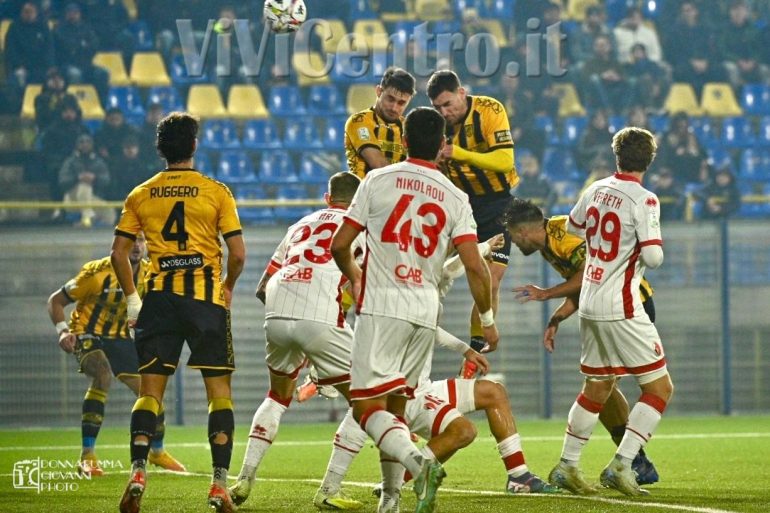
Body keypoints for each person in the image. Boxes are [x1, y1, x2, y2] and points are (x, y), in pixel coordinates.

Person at [331, 107, 499, 513]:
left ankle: (419, 463)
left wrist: (354, 274)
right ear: (443, 146)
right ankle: (389, 502)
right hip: (425, 310)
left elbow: (339, 245)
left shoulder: (376, 179)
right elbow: (475, 266)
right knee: (397, 408)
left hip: (382, 304)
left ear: (403, 141)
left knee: (366, 407)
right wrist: (488, 322)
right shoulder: (456, 197)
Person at [316, 235, 558, 512]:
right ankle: (383, 482)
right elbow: (447, 270)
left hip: (420, 386)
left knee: (489, 398)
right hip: (400, 386)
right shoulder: (397, 279)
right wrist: (483, 248)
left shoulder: (405, 277)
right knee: (370, 412)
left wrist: (465, 349)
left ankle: (518, 477)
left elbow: (434, 303)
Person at [112, 112, 246, 513]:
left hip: (158, 301)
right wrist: (227, 286)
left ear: (160, 149)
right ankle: (219, 486)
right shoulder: (215, 191)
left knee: (150, 393)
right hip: (206, 300)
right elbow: (237, 254)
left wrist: (134, 299)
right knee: (218, 395)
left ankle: (138, 471)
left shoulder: (141, 193)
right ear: (193, 146)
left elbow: (119, 253)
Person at [227, 172, 370, 510]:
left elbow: (263, 286)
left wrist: (295, 328)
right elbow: (365, 287)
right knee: (369, 402)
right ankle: (329, 490)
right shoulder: (361, 229)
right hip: (320, 317)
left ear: (327, 198)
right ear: (360, 200)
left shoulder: (298, 226)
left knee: (278, 396)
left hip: (276, 312)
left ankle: (244, 479)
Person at [549, 127, 673, 496]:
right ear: (649, 160)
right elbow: (652, 256)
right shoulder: (645, 199)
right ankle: (622, 464)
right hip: (621, 303)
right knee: (659, 387)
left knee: (597, 386)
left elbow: (572, 226)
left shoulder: (596, 188)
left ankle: (567, 466)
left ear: (616, 155)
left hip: (589, 299)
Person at [502, 197, 660, 486]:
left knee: (633, 386)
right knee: (602, 386)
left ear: (522, 230)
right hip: (609, 307)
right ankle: (633, 462)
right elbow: (583, 287)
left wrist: (546, 294)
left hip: (632, 304)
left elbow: (590, 276)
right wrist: (557, 318)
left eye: (512, 235)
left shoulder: (564, 234)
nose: (513, 242)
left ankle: (630, 461)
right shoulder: (548, 246)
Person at [46, 233, 185, 477]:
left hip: (120, 337)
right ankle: (87, 456)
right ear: (118, 245)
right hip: (87, 333)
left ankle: (157, 451)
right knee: (102, 374)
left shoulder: (149, 272)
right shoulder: (97, 273)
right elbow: (55, 301)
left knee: (151, 389)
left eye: (141, 240)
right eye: (131, 240)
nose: (136, 246)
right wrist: (62, 331)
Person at [426, 70, 515, 376]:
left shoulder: (490, 110)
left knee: (492, 278)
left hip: (497, 204)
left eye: (448, 104)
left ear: (461, 92)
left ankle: (476, 351)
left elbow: (506, 161)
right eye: (438, 107)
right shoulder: (435, 126)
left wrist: (459, 154)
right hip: (458, 206)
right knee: (432, 273)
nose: (444, 112)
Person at [345, 67, 415, 178]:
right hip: (363, 193)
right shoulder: (359, 121)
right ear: (379, 91)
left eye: (401, 103)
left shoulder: (408, 128)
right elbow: (378, 164)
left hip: (396, 193)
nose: (394, 108)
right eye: (390, 99)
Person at [58, 133, 114, 227]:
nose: (85, 145)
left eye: (88, 142)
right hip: (71, 198)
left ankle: (84, 224)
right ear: (77, 145)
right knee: (84, 185)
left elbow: (106, 180)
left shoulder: (98, 162)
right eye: (81, 142)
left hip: (91, 198)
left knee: (110, 214)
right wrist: (78, 178)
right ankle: (88, 215)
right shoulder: (70, 162)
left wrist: (95, 178)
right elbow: (62, 181)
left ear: (92, 145)